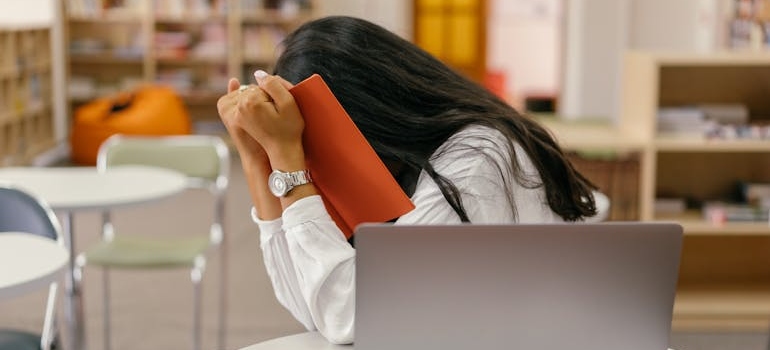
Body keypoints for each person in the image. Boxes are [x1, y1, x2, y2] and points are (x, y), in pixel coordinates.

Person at [216, 15, 601, 344]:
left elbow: (350, 317)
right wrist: (257, 160)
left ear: (366, 115)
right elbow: (314, 309)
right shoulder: (416, 165)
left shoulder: (477, 158)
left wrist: (288, 163)